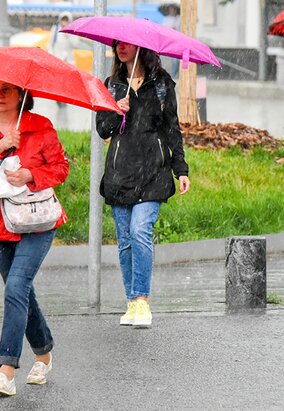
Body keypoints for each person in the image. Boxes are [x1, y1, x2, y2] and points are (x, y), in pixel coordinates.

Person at [0, 78, 69, 396]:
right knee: (20, 292)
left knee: (17, 287)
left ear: (21, 93)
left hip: (37, 222)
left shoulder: (40, 125)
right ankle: (44, 354)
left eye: (6, 89)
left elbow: (60, 168)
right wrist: (0, 146)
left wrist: (32, 174)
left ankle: (6, 371)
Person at [96, 40, 190, 328]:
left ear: (142, 49)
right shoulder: (111, 85)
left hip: (153, 173)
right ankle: (132, 302)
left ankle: (141, 300)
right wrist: (116, 111)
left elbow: (172, 129)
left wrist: (181, 169)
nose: (120, 48)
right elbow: (103, 130)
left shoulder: (162, 84)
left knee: (139, 230)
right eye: (118, 44)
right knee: (125, 242)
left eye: (127, 44)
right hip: (120, 174)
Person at [160, 5, 181, 78]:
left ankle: (176, 73)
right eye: (171, 10)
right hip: (169, 41)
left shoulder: (179, 18)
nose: (172, 11)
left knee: (176, 59)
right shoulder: (167, 19)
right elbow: (164, 29)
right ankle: (173, 74)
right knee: (172, 59)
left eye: (173, 10)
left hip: (178, 40)